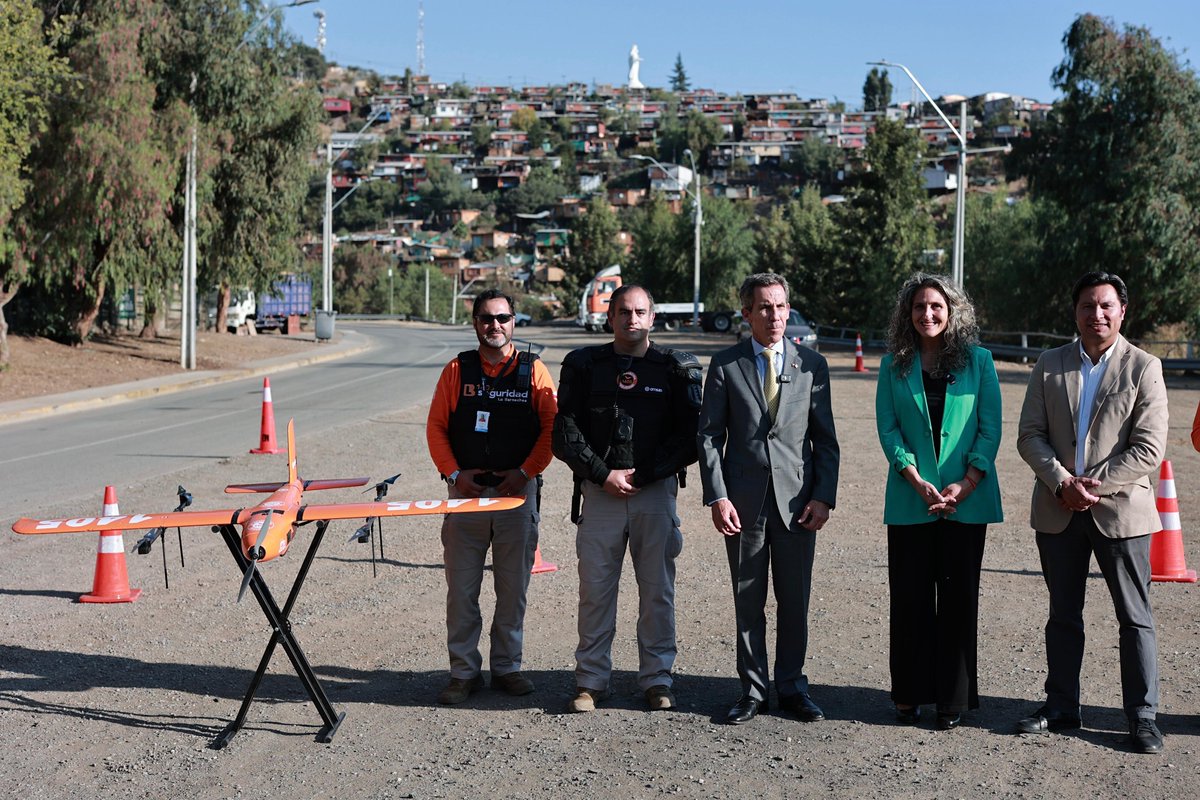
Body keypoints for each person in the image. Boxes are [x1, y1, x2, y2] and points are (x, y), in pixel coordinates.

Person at [1015, 271, 1169, 754]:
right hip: (1059, 507)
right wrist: (1063, 481)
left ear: (1123, 311)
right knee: (1063, 614)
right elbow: (1030, 435)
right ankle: (1061, 705)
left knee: (1134, 617)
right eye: (1087, 306)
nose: (1096, 314)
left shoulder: (1144, 367)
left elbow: (1149, 448)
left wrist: (1092, 486)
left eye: (1106, 306)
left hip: (1120, 512)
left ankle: (1142, 717)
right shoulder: (1049, 363)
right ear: (1075, 312)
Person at [697, 272, 840, 725]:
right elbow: (707, 438)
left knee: (794, 599)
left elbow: (826, 441)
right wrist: (718, 497)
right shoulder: (724, 365)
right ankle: (753, 690)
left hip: (799, 504)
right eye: (764, 307)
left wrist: (823, 497)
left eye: (780, 306)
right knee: (748, 599)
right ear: (746, 314)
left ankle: (793, 688)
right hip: (744, 505)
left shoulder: (811, 364)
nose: (774, 315)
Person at [552, 284, 702, 713]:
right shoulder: (584, 365)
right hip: (600, 495)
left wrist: (646, 474)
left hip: (654, 494)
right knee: (596, 592)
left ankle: (657, 680)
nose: (631, 319)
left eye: (640, 312)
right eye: (623, 312)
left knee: (657, 592)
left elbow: (691, 436)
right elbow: (564, 432)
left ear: (653, 318)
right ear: (610, 317)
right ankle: (591, 681)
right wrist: (603, 474)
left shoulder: (676, 367)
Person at [875, 273, 1003, 731]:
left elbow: (990, 430)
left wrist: (965, 484)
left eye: (936, 306)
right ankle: (909, 695)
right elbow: (888, 430)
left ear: (952, 312)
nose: (927, 314)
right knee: (909, 601)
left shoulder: (980, 362)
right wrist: (914, 477)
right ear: (906, 315)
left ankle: (953, 698)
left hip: (966, 503)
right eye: (918, 307)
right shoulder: (894, 365)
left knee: (958, 599)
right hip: (912, 501)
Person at [426, 289, 558, 705]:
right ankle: (463, 672)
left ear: (514, 321)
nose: (494, 325)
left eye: (502, 318)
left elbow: (552, 431)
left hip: (516, 496)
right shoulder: (457, 370)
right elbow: (436, 428)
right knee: (462, 590)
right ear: (475, 324)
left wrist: (524, 474)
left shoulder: (534, 372)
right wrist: (453, 474)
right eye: (486, 318)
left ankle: (507, 668)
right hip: (464, 496)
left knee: (513, 588)